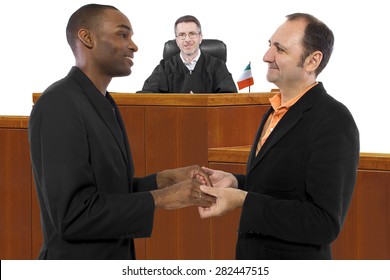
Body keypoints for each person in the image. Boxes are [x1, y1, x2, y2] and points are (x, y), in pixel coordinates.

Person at [28, 4, 215, 260]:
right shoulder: (59, 103)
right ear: (87, 38)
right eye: (122, 35)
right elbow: (73, 215)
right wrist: (160, 198)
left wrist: (164, 179)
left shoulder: (104, 102)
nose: (134, 46)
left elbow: (110, 193)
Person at [198, 13, 360, 260]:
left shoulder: (334, 120)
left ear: (312, 61)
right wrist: (237, 183)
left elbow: (324, 223)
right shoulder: (274, 110)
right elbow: (283, 187)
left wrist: (244, 200)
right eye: (269, 45)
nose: (266, 57)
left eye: (280, 49)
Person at [138, 15, 237, 93]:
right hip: (173, 118)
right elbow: (147, 97)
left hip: (208, 118)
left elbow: (229, 99)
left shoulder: (217, 66)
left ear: (200, 37)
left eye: (192, 34)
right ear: (176, 40)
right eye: (181, 35)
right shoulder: (164, 68)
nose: (187, 40)